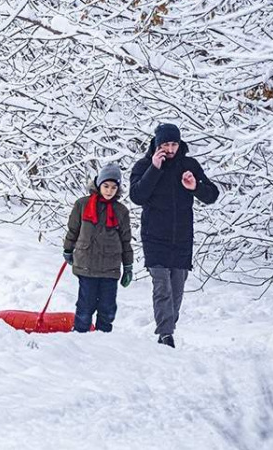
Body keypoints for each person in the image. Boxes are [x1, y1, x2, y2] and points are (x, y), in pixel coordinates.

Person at [129, 123, 219, 348]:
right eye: (166, 145)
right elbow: (137, 196)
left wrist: (194, 186)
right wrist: (154, 169)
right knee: (162, 286)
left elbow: (212, 195)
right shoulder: (144, 165)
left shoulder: (189, 165)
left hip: (181, 237)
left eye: (174, 144)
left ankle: (169, 327)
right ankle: (165, 334)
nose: (170, 149)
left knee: (177, 288)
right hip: (154, 236)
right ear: (157, 145)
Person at [63, 163, 133, 333]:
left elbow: (125, 241)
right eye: (106, 186)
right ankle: (80, 334)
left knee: (108, 307)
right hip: (86, 264)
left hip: (110, 267)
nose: (109, 191)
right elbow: (74, 230)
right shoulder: (82, 205)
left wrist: (128, 266)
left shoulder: (121, 211)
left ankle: (103, 338)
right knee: (85, 305)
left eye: (113, 187)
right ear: (98, 184)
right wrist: (68, 250)